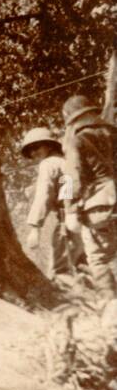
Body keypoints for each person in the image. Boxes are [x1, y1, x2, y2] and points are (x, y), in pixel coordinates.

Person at [61, 95, 117, 298]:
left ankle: (111, 308)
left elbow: (70, 178)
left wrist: (69, 210)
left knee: (98, 259)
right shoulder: (114, 133)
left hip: (100, 206)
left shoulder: (78, 140)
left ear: (73, 120)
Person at [20, 127, 83, 282]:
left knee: (60, 269)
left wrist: (35, 228)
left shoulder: (48, 164)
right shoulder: (66, 161)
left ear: (49, 145)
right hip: (81, 218)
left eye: (37, 147)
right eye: (30, 151)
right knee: (83, 263)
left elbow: (44, 195)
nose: (34, 153)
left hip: (66, 220)